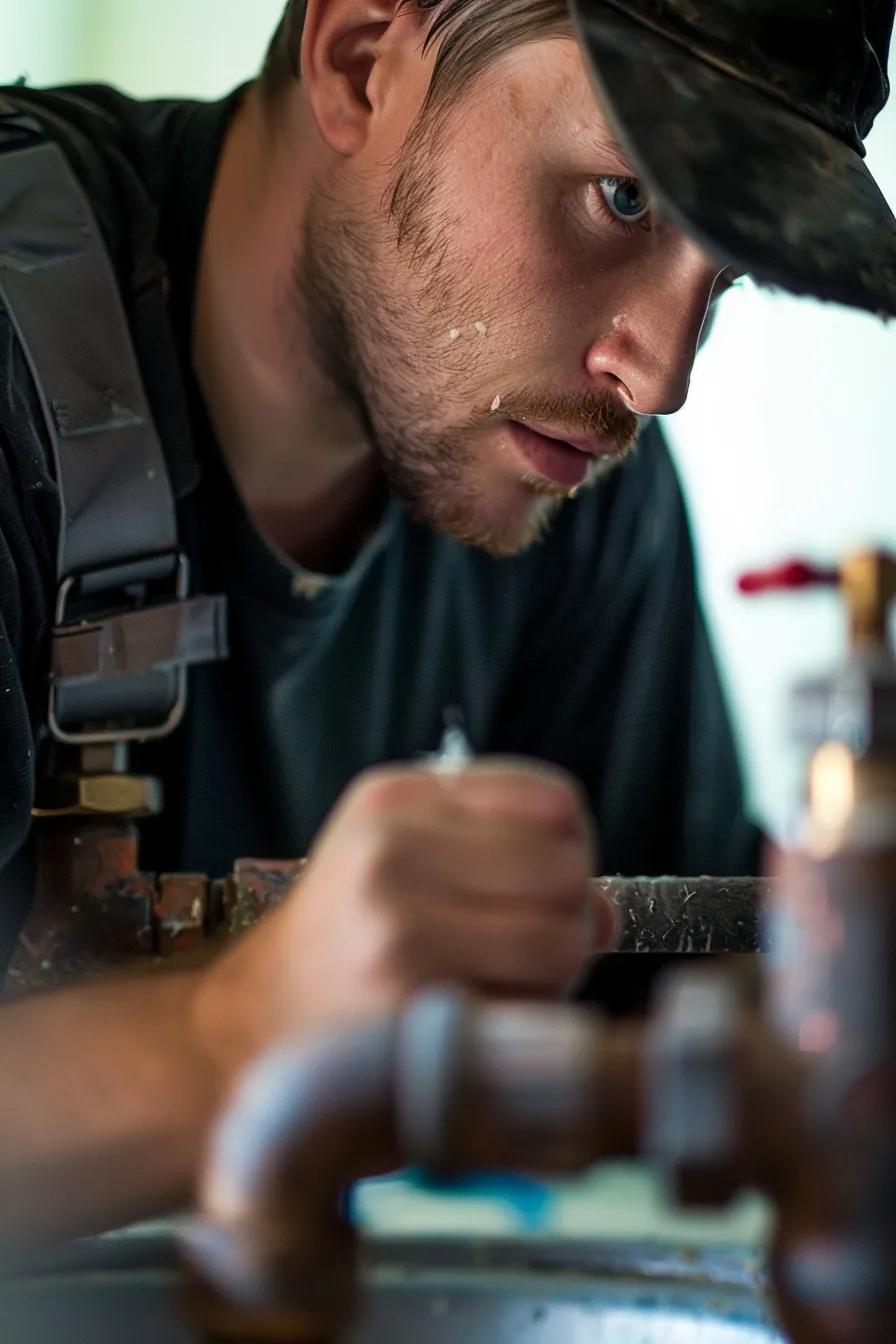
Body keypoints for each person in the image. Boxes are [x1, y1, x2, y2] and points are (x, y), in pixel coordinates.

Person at [0, 0, 891, 1247]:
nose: (660, 377)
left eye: (723, 277)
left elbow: (676, 997)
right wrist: (240, 1032)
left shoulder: (550, 464)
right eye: (620, 200)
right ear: (361, 64)